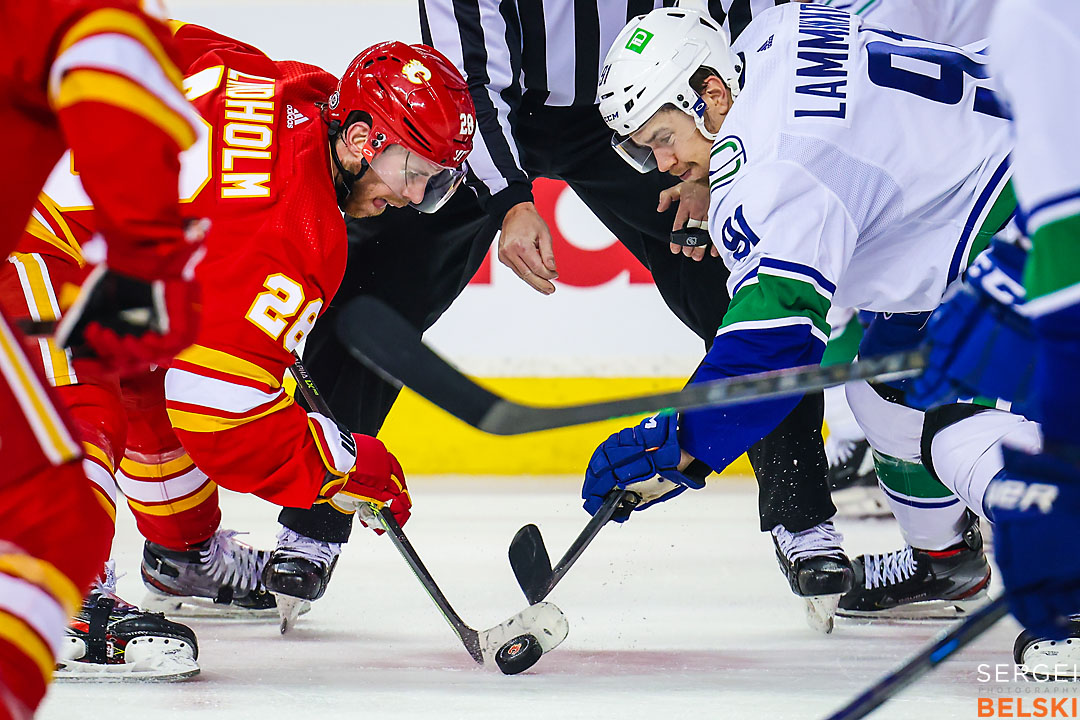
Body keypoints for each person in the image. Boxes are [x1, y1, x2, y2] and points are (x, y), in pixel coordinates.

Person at [288, 0, 851, 620]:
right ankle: (311, 528)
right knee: (375, 288)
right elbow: (468, 81)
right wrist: (508, 200)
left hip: (636, 113)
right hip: (480, 125)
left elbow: (740, 23)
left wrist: (717, 155)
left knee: (737, 285)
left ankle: (803, 518)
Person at [586, 1, 1019, 626]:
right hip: (1025, 148)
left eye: (661, 139)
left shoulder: (781, 175)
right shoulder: (773, 32)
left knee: (954, 417)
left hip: (1042, 220)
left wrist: (682, 444)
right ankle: (945, 559)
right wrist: (718, 168)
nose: (663, 164)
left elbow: (774, 342)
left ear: (709, 94)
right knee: (884, 385)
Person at [33, 23, 476, 626]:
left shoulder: (292, 85)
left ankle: (181, 552)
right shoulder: (297, 234)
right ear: (360, 139)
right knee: (80, 390)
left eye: (437, 182)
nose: (414, 196)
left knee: (143, 366)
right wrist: (336, 469)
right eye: (412, 171)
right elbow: (219, 414)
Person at [0, 0, 204, 715]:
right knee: (61, 475)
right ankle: (71, 599)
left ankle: (178, 556)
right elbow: (104, 54)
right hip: (38, 251)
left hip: (47, 242)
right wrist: (147, 254)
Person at [908, 0, 1080, 678]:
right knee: (956, 423)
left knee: (960, 430)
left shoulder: (1035, 25)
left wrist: (1060, 472)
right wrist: (1003, 275)